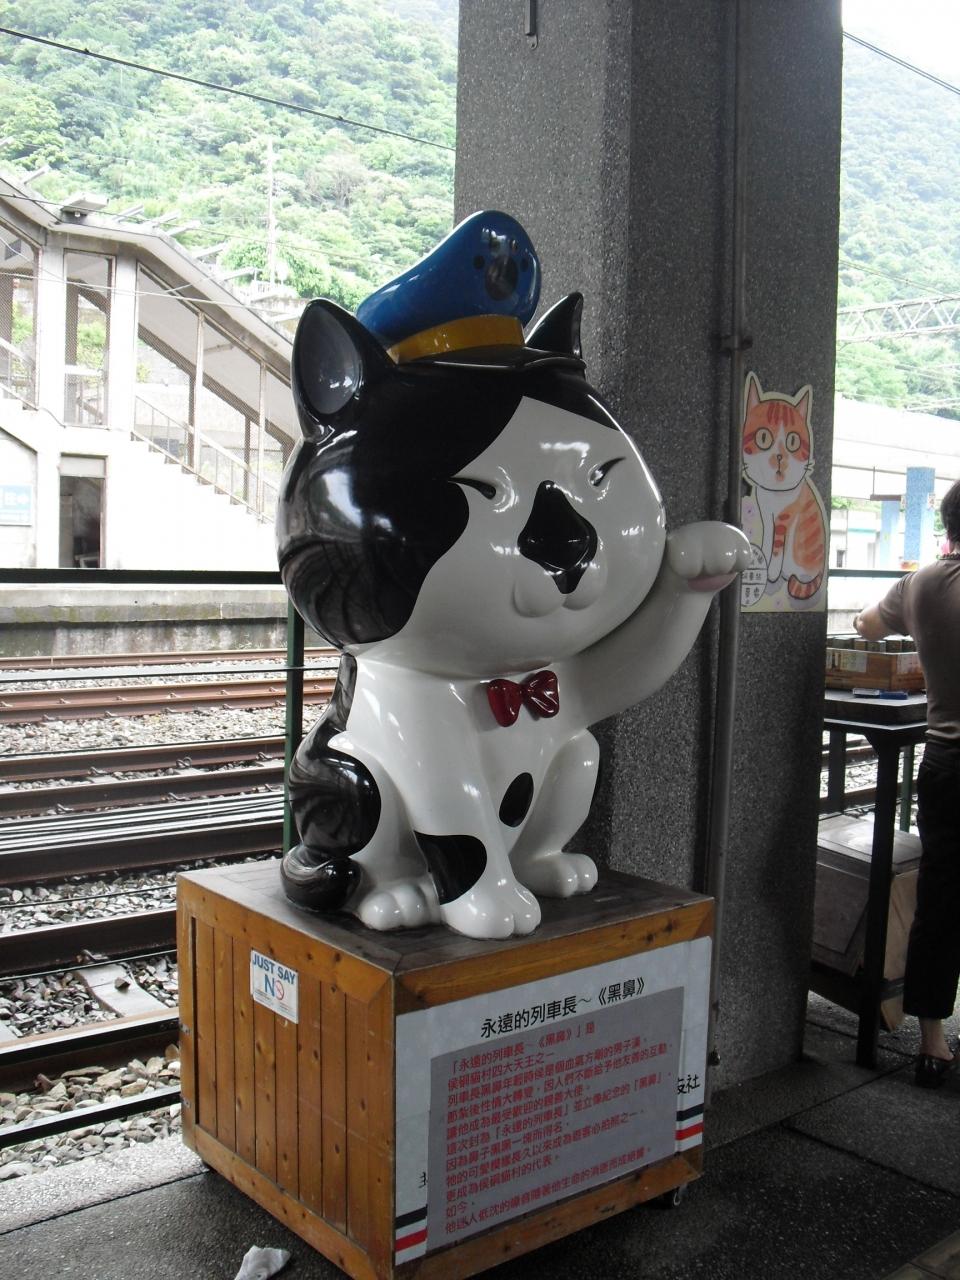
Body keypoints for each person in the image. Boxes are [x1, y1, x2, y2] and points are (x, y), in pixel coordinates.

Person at [854, 478, 960, 1087]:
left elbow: (867, 625)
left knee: (940, 903)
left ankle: (932, 1044)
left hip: (946, 765)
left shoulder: (920, 583)